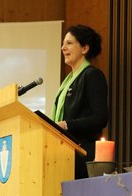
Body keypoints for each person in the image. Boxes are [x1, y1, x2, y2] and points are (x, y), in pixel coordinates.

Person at [51, 25, 109, 179]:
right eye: (63, 44)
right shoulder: (67, 82)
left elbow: (100, 118)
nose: (63, 48)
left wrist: (67, 125)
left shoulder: (92, 76)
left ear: (84, 48)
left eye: (69, 43)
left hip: (83, 155)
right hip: (65, 154)